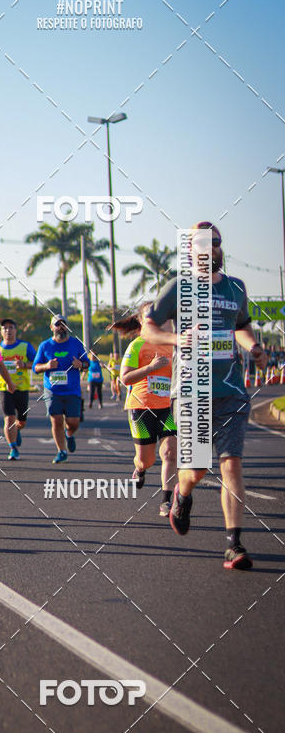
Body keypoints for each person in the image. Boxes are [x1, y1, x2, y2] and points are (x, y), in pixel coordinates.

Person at [142, 222, 268, 569]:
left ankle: (234, 544)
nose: (208, 248)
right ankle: (182, 495)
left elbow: (241, 325)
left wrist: (254, 347)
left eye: (213, 242)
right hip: (191, 391)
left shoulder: (235, 287)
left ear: (219, 247)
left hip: (231, 390)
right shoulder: (177, 288)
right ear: (190, 251)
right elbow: (148, 328)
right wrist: (177, 339)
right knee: (196, 469)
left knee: (232, 463)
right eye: (200, 244)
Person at [111, 305, 177, 516]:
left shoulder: (174, 346)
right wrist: (151, 368)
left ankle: (166, 501)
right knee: (146, 460)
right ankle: (139, 469)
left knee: (170, 453)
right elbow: (125, 378)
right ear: (142, 321)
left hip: (167, 408)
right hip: (141, 408)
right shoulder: (136, 345)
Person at [33, 315, 90, 463]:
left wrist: (81, 365)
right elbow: (35, 368)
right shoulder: (45, 346)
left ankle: (69, 434)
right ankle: (61, 451)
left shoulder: (76, 343)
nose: (61, 327)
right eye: (57, 324)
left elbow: (87, 363)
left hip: (72, 390)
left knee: (74, 422)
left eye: (63, 324)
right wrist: (47, 366)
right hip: (52, 391)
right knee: (56, 420)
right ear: (51, 327)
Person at [0, 319, 36, 460]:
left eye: (11, 327)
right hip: (4, 388)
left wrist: (24, 364)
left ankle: (17, 429)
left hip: (22, 388)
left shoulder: (25, 346)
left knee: (21, 421)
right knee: (9, 418)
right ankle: (13, 448)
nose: (8, 330)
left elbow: (36, 364)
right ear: (1, 331)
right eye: (5, 328)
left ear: (15, 330)